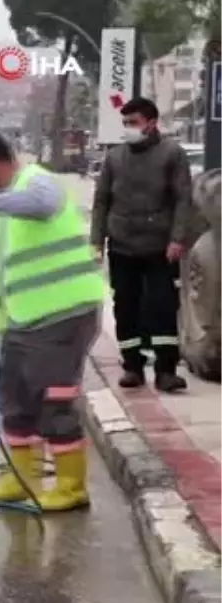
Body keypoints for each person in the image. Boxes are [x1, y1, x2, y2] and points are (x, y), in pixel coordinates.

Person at [0, 128, 104, 512]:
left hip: (63, 313)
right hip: (24, 320)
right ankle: (21, 480)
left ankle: (71, 487)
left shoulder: (37, 183)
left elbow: (37, 203)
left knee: (53, 400)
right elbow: (6, 269)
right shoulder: (5, 206)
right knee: (15, 401)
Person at [90, 97, 191, 393]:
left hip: (160, 246)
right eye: (125, 123)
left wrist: (177, 238)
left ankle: (166, 370)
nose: (128, 128)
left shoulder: (172, 154)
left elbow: (183, 199)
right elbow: (101, 201)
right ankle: (132, 366)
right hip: (122, 245)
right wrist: (97, 241)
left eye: (133, 122)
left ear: (151, 123)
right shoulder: (114, 158)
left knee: (161, 306)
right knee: (126, 305)